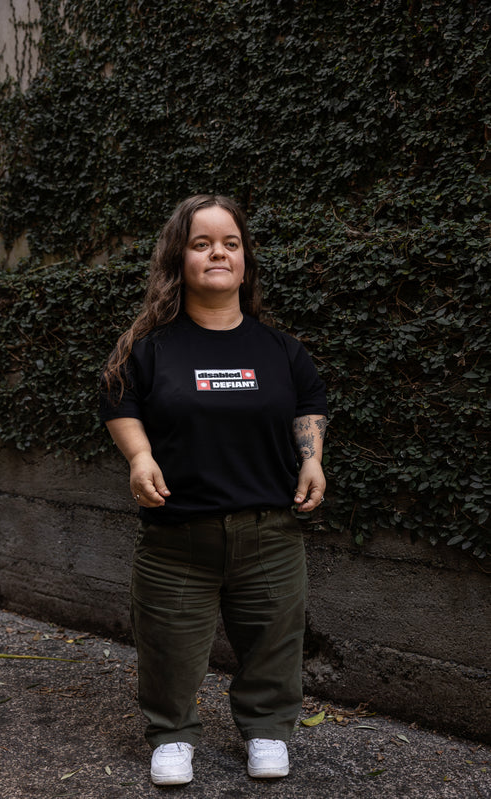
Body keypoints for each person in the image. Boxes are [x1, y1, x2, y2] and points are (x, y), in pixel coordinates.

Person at [100, 194, 328, 785]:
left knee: (275, 642)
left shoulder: (280, 349)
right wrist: (140, 455)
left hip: (270, 534)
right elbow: (118, 401)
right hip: (178, 536)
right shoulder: (150, 347)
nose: (218, 253)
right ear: (180, 259)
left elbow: (309, 402)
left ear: (245, 259)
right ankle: (172, 735)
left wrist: (312, 460)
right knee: (170, 650)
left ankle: (267, 730)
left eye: (230, 242)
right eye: (201, 244)